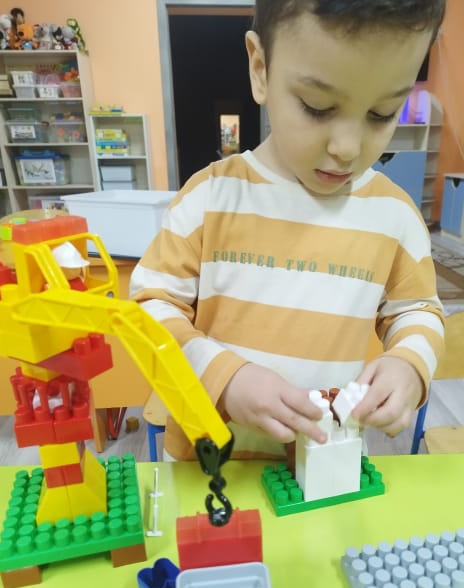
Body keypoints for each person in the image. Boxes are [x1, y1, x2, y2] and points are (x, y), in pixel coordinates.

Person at [131, 0, 446, 463]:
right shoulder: (209, 198)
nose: (347, 147)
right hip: (210, 470)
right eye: (317, 107)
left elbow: (418, 311)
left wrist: (409, 365)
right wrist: (224, 377)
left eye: (382, 113)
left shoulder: (394, 215)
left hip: (324, 467)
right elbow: (148, 312)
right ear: (260, 68)